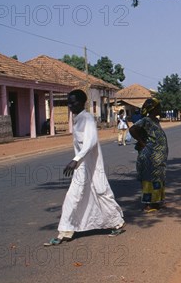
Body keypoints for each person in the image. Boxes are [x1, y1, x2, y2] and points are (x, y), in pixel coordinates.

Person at [44, 89, 125, 246]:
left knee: (99, 193)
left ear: (82, 103)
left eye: (73, 102)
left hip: (90, 165)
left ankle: (117, 223)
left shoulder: (87, 118)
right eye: (69, 102)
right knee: (76, 196)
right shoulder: (78, 119)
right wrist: (78, 161)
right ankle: (65, 231)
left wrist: (75, 160)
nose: (70, 105)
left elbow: (90, 141)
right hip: (82, 168)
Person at [129, 98, 169, 211]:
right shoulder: (146, 120)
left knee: (157, 178)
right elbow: (132, 129)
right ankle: (148, 204)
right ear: (153, 108)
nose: (160, 109)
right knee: (149, 179)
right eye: (158, 107)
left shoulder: (155, 121)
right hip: (150, 156)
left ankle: (156, 202)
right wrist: (142, 142)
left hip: (158, 158)